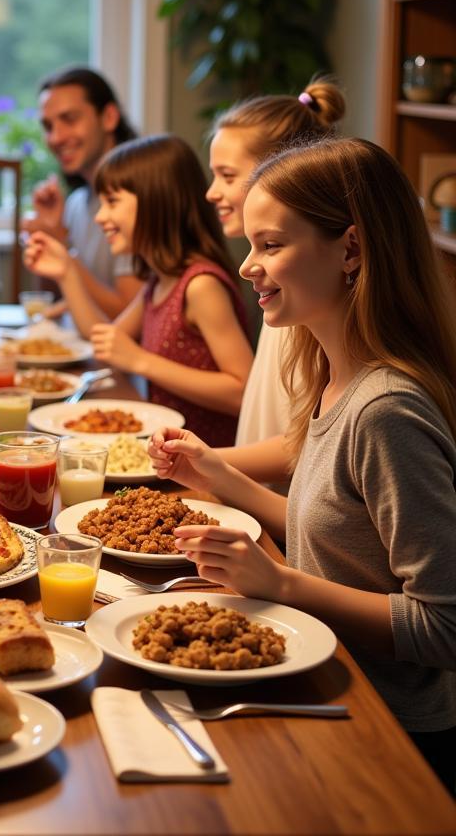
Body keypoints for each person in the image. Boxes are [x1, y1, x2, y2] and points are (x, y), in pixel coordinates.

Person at [149, 137, 456, 790]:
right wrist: (218, 478)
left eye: (271, 245)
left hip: (391, 735)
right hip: (319, 683)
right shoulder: (332, 377)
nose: (246, 267)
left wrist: (281, 585)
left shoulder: (386, 410)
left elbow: (444, 624)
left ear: (349, 250)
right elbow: (341, 538)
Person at [25, 134, 253, 445]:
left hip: (207, 465)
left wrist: (140, 361)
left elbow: (242, 392)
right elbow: (106, 345)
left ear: (155, 202)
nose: (100, 216)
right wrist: (67, 273)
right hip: (167, 455)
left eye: (112, 202)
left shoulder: (201, 285)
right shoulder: (160, 281)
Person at [206, 78, 345, 482]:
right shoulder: (281, 291)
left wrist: (209, 462)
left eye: (227, 176)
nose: (212, 192)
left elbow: (301, 442)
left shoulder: (307, 301)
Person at [29, 66, 144, 318]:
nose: (56, 137)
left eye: (70, 119)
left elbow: (128, 314)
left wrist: (61, 246)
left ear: (109, 117)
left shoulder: (137, 199)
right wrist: (47, 238)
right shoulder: (76, 202)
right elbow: (62, 296)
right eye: (48, 126)